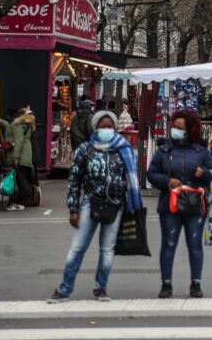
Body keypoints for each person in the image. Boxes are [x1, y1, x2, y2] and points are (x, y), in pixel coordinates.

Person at [48, 110, 142, 303]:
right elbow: (74, 180)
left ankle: (101, 288)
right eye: (102, 126)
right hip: (90, 202)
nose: (106, 130)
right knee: (77, 247)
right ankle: (65, 289)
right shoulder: (85, 149)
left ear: (115, 128)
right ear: (95, 127)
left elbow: (132, 179)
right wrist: (73, 209)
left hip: (115, 205)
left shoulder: (125, 149)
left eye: (110, 127)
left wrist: (124, 190)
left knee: (107, 249)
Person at [147, 109, 212, 299]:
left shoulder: (201, 151)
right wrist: (167, 182)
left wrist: (205, 174)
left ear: (190, 130)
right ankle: (166, 283)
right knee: (168, 243)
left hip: (195, 205)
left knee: (194, 244)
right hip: (170, 204)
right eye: (174, 127)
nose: (175, 130)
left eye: (180, 128)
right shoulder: (164, 150)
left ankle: (196, 283)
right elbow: (151, 174)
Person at [0, 107, 37, 211]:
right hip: (26, 154)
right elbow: (13, 129)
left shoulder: (18, 123)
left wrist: (15, 157)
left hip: (20, 155)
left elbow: (18, 140)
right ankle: (18, 203)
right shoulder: (25, 122)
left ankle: (17, 203)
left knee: (18, 181)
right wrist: (3, 122)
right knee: (20, 179)